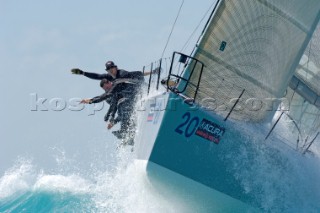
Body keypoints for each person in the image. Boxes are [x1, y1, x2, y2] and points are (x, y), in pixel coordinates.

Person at [71, 60, 158, 82]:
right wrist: (83, 73)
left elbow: (139, 74)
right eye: (109, 69)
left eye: (112, 68)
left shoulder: (123, 73)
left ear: (116, 68)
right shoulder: (108, 76)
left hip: (138, 86)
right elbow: (97, 76)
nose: (111, 70)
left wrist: (152, 72)